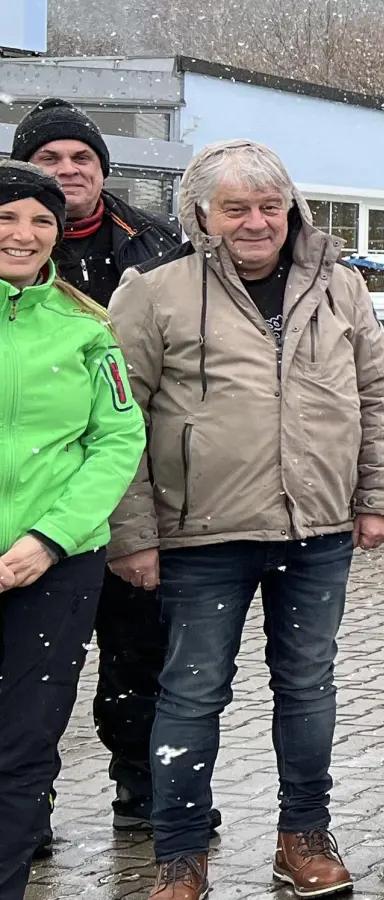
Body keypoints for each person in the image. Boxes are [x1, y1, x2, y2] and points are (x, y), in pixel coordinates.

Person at [105, 140, 384, 900]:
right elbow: (117, 421)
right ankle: (180, 854)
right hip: (201, 536)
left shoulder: (340, 288)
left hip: (316, 532)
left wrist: (380, 494)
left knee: (307, 686)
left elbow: (377, 396)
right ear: (201, 215)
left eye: (269, 206)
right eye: (235, 208)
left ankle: (302, 836)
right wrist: (132, 533)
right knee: (191, 692)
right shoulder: (153, 293)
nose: (255, 222)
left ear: (291, 209)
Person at [11, 96, 188, 847]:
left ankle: (140, 789)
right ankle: (28, 805)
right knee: (27, 685)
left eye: (80, 157)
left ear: (102, 170)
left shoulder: (157, 245)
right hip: (35, 514)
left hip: (134, 493)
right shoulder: (21, 247)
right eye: (49, 158)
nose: (67, 170)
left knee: (136, 652)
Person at [0, 160, 145, 900]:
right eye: (7, 217)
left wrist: (49, 538)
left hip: (54, 568)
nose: (24, 234)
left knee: (24, 744)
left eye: (41, 221)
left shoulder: (87, 327)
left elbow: (117, 441)